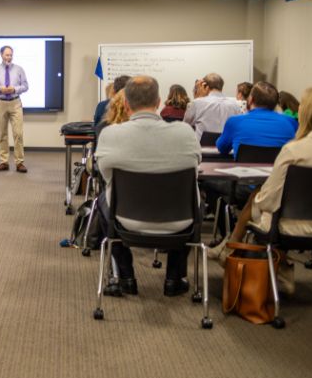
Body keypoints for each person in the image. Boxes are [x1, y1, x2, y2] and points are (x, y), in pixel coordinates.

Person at [211, 87, 312, 292]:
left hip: (292, 227)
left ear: (307, 112)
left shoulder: (294, 150)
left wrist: (259, 199)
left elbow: (268, 201)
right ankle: (272, 263)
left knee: (258, 200)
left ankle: (231, 251)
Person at [95, 75, 202, 297]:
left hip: (126, 220)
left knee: (103, 199)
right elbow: (196, 166)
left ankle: (125, 276)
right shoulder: (185, 133)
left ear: (125, 103)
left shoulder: (110, 134)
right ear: (159, 102)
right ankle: (174, 277)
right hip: (181, 221)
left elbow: (106, 177)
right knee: (198, 200)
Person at [216, 81, 298, 158]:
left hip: (244, 171)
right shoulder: (291, 122)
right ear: (276, 103)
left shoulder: (234, 122)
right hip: (276, 171)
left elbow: (222, 148)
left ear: (251, 99)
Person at [0, 45, 29, 173]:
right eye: (7, 55)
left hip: (15, 103)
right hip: (0, 103)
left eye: (11, 55)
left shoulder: (19, 69)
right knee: (2, 134)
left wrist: (14, 89)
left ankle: (19, 162)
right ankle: (4, 162)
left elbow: (26, 86)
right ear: (1, 55)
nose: (9, 57)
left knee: (18, 134)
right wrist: (0, 89)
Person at [182, 72, 242, 141]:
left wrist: (197, 97)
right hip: (227, 149)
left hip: (202, 149)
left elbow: (185, 127)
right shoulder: (235, 105)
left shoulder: (196, 103)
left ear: (205, 86)